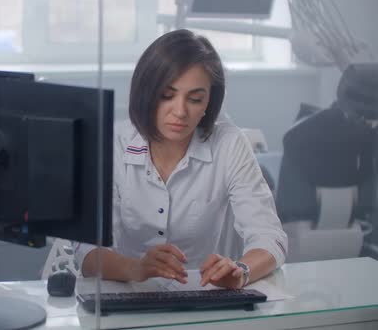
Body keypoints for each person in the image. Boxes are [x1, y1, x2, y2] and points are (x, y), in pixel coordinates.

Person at [74, 29, 287, 289]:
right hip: (122, 291)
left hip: (197, 296)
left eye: (195, 99)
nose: (180, 111)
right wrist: (137, 268)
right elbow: (84, 251)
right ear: (147, 93)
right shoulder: (114, 143)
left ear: (209, 101)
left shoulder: (229, 144)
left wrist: (241, 271)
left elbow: (270, 237)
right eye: (167, 95)